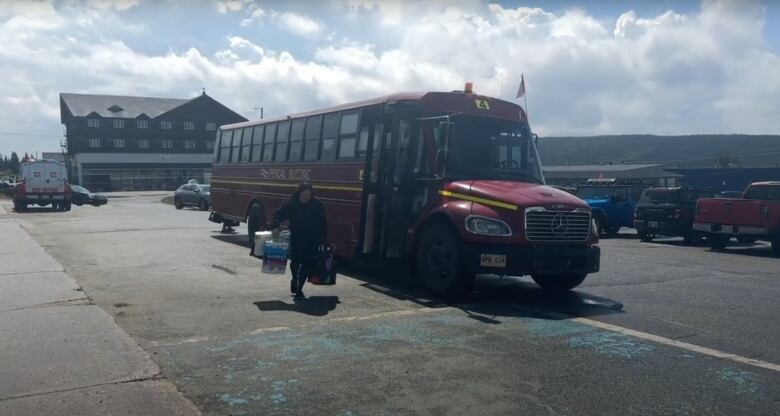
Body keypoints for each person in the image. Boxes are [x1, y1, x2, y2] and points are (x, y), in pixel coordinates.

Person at [271, 183, 327, 299]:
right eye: (304, 196)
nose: (306, 198)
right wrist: (275, 226)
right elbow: (278, 214)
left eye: (308, 196)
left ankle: (299, 286)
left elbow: (323, 223)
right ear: (299, 194)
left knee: (307, 263)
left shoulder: (318, 205)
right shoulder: (293, 204)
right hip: (297, 238)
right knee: (295, 262)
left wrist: (324, 239)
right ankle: (294, 278)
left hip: (312, 239)